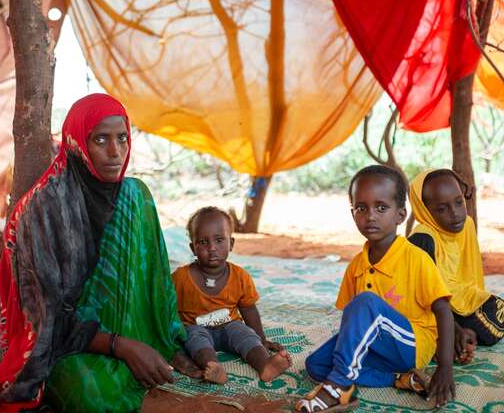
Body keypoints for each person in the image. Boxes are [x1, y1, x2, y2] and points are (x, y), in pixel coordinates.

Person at [0, 94, 198, 413]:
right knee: (93, 395)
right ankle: (132, 355)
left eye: (122, 138)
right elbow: (44, 319)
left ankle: (154, 345)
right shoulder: (45, 211)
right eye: (100, 140)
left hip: (122, 332)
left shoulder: (133, 197)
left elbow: (154, 280)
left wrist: (159, 339)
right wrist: (120, 346)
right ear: (76, 143)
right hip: (56, 342)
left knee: (137, 193)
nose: (115, 152)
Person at [296, 165, 455, 413]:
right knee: (315, 365)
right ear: (353, 213)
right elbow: (351, 321)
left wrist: (445, 367)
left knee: (366, 302)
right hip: (379, 347)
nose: (371, 215)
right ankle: (400, 379)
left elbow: (443, 310)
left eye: (381, 207)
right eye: (362, 208)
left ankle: (339, 386)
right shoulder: (356, 265)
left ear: (400, 215)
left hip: (412, 345)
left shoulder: (416, 258)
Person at [171, 206, 292, 384]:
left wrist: (262, 340)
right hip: (195, 327)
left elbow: (249, 310)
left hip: (229, 326)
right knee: (195, 339)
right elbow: (166, 310)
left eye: (219, 240)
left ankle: (265, 364)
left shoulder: (240, 276)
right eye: (203, 242)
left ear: (231, 243)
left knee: (244, 333)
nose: (212, 248)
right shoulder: (180, 277)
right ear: (193, 247)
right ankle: (213, 368)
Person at [408, 169, 504, 364]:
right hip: (433, 310)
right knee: (491, 331)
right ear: (425, 210)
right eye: (442, 209)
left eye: (459, 202)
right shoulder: (422, 239)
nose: (455, 213)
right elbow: (420, 296)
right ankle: (451, 334)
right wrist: (450, 328)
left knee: (497, 311)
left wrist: (473, 297)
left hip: (460, 297)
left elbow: (469, 273)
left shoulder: (466, 224)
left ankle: (459, 334)